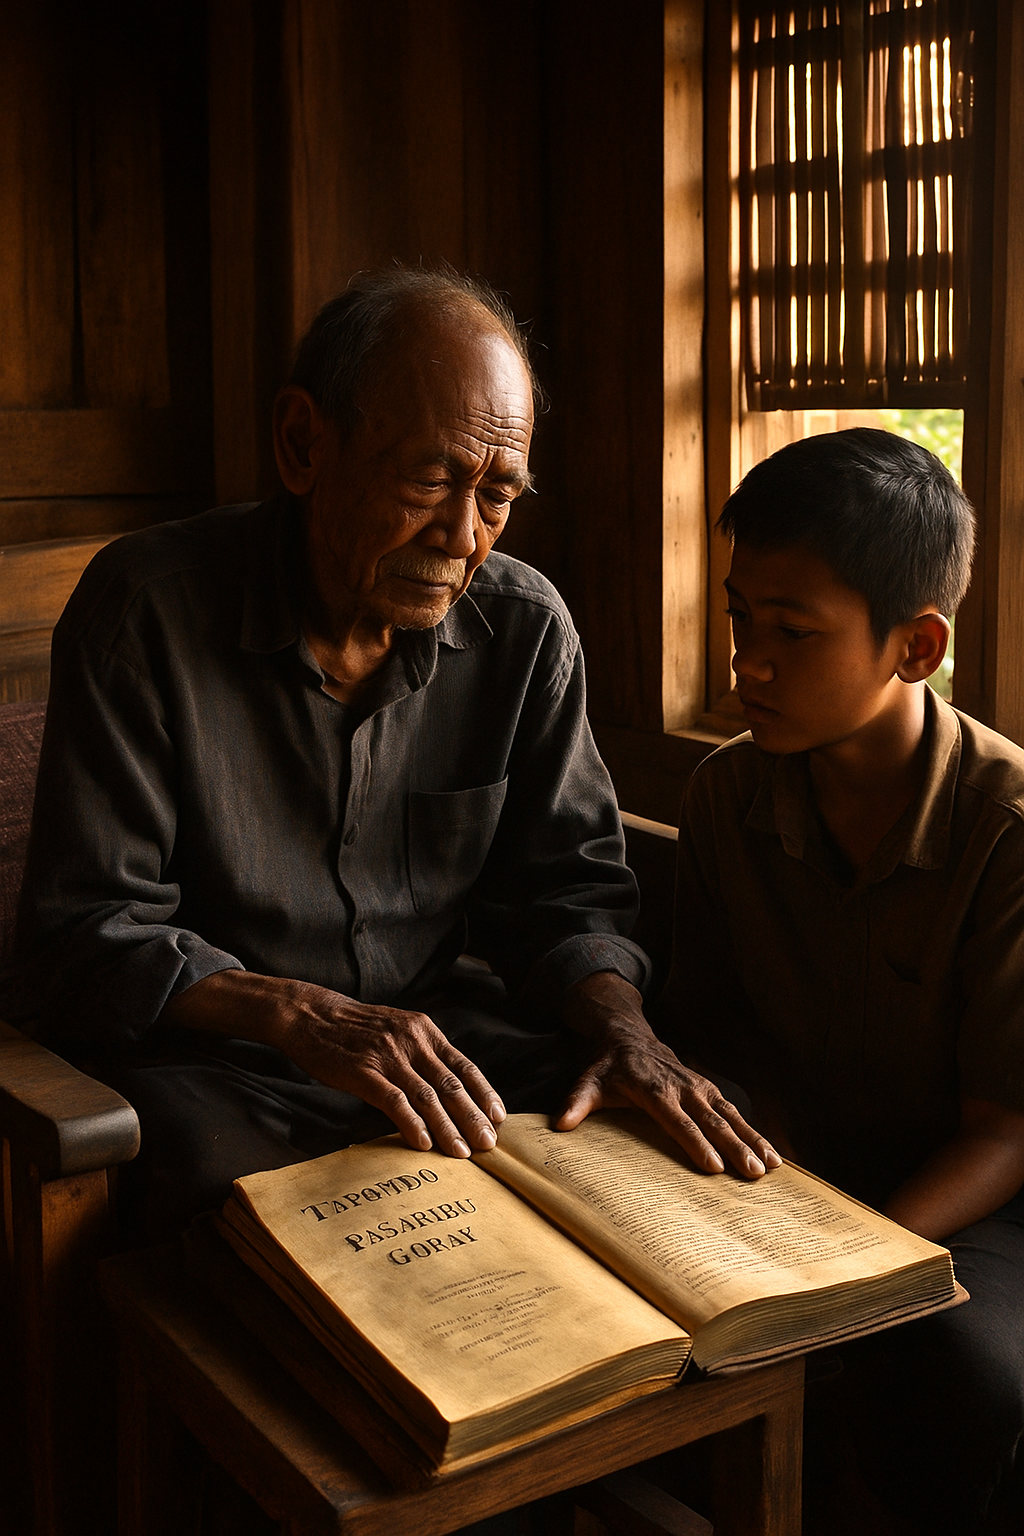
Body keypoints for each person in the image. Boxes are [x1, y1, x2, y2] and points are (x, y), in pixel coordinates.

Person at [2, 267, 776, 1237]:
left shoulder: (525, 629)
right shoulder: (147, 612)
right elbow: (88, 931)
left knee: (686, 1141)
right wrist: (302, 1017)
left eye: (497, 493)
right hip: (223, 1065)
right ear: (301, 444)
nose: (463, 536)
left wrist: (629, 1037)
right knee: (217, 1206)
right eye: (428, 480)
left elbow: (564, 893)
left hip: (438, 1039)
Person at [658, 427, 1024, 1534]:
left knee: (964, 1372)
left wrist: (849, 1266)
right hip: (798, 1175)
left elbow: (1004, 1131)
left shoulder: (1003, 829)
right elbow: (722, 1033)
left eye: (790, 632)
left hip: (972, 1197)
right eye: (737, 619)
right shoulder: (729, 798)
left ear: (914, 649)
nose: (745, 665)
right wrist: (773, 1187)